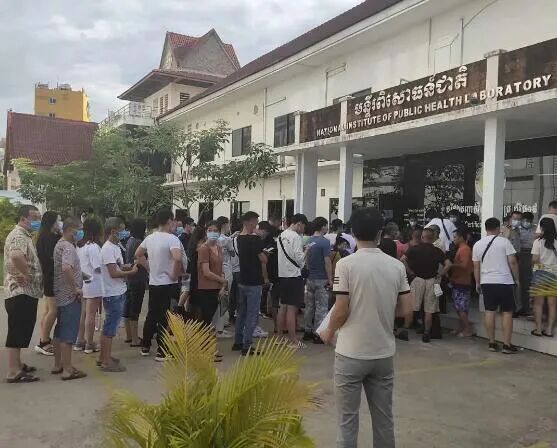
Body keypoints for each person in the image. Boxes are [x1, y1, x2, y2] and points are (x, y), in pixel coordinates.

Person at [320, 207, 413, 448]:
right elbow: (407, 310)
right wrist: (383, 310)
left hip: (350, 353)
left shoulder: (346, 265)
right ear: (380, 234)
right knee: (384, 420)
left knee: (347, 421)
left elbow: (341, 309)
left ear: (352, 232)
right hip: (383, 352)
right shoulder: (396, 266)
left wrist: (328, 332)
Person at [3, 205, 43, 383]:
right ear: (23, 218)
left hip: (25, 292)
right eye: (34, 218)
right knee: (17, 330)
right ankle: (13, 371)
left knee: (20, 330)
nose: (37, 221)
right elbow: (16, 255)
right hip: (20, 292)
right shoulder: (18, 235)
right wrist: (26, 274)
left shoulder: (24, 235)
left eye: (38, 218)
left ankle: (17, 364)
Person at [136, 210, 182, 361]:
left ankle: (145, 345)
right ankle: (162, 351)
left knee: (152, 314)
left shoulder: (150, 238)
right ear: (169, 221)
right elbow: (177, 258)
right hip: (168, 283)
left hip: (154, 282)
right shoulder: (172, 239)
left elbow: (138, 254)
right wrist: (174, 274)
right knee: (165, 317)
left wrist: (148, 267)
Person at [472, 217, 520, 354]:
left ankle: (492, 343)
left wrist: (477, 282)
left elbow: (476, 267)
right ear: (498, 228)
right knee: (507, 312)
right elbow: (513, 262)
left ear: (486, 228)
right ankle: (506, 345)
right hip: (504, 282)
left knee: (489, 311)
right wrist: (517, 279)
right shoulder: (504, 242)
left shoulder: (477, 244)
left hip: (487, 282)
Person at [99, 217, 138, 372]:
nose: (124, 232)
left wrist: (126, 267)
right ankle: (106, 361)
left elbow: (118, 267)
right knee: (110, 329)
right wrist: (131, 272)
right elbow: (113, 273)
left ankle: (104, 356)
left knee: (110, 327)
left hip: (118, 291)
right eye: (122, 229)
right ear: (113, 231)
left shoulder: (115, 247)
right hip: (112, 293)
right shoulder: (108, 249)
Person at [52, 217, 87, 381]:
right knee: (68, 333)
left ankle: (58, 364)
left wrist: (81, 275)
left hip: (60, 294)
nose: (81, 233)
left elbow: (66, 268)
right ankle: (68, 369)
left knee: (59, 330)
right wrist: (76, 289)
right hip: (69, 296)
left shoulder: (59, 244)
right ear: (70, 229)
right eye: (79, 229)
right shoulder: (68, 247)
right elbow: (66, 268)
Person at [233, 212, 269, 356]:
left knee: (241, 312)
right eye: (255, 221)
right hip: (254, 280)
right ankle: (247, 345)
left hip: (242, 279)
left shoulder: (239, 238)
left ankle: (238, 341)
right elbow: (263, 259)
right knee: (252, 314)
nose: (257, 224)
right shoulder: (255, 239)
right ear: (249, 222)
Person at [404, 228, 449, 342]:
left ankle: (405, 330)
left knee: (412, 306)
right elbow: (448, 264)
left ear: (422, 237)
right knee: (429, 309)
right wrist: (440, 274)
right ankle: (426, 333)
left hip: (417, 279)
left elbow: (403, 259)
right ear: (433, 238)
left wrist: (410, 272)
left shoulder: (414, 249)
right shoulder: (437, 251)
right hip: (431, 280)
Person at [277, 213, 309, 348]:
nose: (303, 229)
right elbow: (300, 259)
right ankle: (293, 340)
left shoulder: (281, 235)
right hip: (294, 275)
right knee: (291, 308)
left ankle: (279, 338)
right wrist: (306, 251)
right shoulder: (295, 237)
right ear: (299, 223)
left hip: (282, 274)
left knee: (282, 307)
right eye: (303, 226)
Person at [75, 217, 103, 354]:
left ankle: (80, 341)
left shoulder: (79, 245)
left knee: (83, 314)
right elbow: (98, 268)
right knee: (91, 314)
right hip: (93, 283)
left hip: (83, 282)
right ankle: (90, 343)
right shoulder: (93, 247)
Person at [35, 211, 61, 356]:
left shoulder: (45, 236)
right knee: (53, 311)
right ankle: (44, 341)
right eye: (58, 220)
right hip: (52, 277)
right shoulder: (49, 238)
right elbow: (53, 258)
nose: (60, 223)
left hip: (48, 277)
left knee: (48, 310)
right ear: (52, 222)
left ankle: (44, 338)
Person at [303, 217, 333, 344]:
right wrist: (330, 278)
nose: (327, 228)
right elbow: (327, 261)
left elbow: (305, 260)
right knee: (321, 307)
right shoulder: (325, 242)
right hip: (322, 278)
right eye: (326, 225)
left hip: (310, 277)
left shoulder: (308, 241)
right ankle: (318, 334)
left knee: (309, 306)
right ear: (322, 226)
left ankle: (307, 331)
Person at [194, 221, 227, 333]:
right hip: (206, 287)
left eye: (215, 230)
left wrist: (222, 285)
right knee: (205, 318)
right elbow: (206, 272)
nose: (213, 233)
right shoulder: (204, 248)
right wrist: (222, 281)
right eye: (210, 230)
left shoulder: (219, 248)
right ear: (206, 232)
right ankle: (201, 339)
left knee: (210, 317)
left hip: (217, 287)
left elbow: (220, 268)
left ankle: (205, 338)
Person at [530, 217, 557, 337]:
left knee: (538, 304)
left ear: (542, 228)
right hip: (554, 275)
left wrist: (537, 265)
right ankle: (549, 330)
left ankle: (539, 330)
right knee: (552, 305)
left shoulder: (538, 242)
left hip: (540, 274)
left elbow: (535, 259)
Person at [123, 218, 148, 347]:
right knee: (135, 308)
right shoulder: (139, 242)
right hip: (138, 277)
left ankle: (129, 335)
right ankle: (134, 339)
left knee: (128, 306)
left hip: (130, 278)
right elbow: (143, 259)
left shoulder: (129, 241)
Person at [449, 228, 475, 337]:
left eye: (455, 237)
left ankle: (467, 329)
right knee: (459, 307)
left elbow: (464, 265)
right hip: (458, 280)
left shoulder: (464, 249)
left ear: (461, 237)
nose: (453, 239)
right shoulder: (461, 249)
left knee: (461, 308)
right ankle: (461, 327)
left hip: (462, 281)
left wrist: (451, 265)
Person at [517, 212, 536, 315]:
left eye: (529, 221)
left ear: (531, 221)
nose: (526, 222)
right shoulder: (517, 229)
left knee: (528, 283)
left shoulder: (535, 229)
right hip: (519, 255)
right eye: (525, 220)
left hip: (531, 255)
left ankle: (527, 307)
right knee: (518, 282)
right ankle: (518, 307)